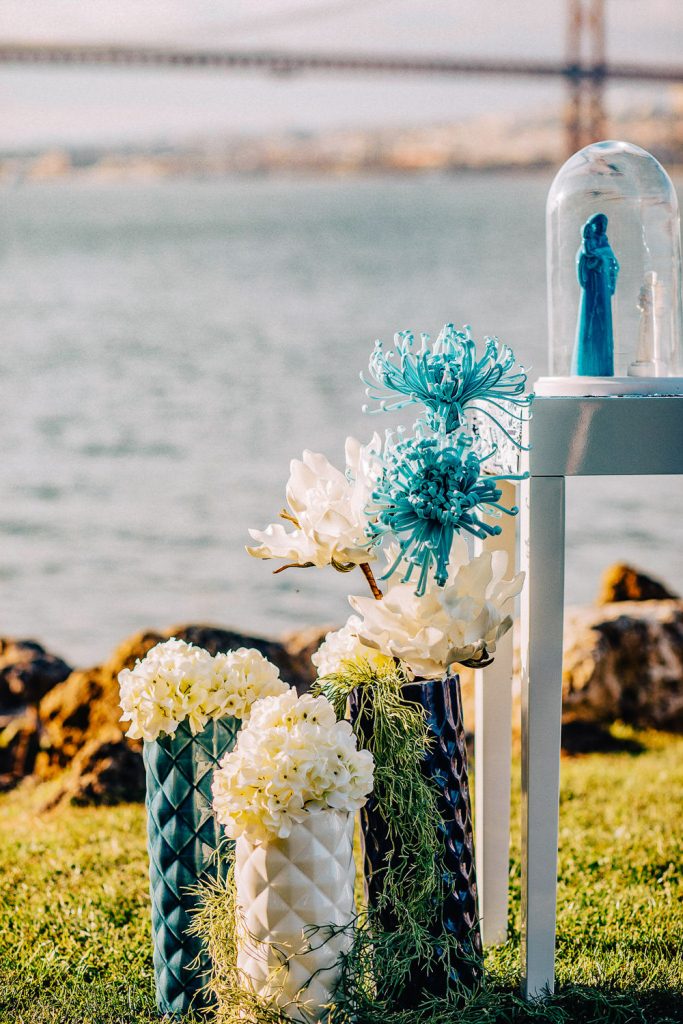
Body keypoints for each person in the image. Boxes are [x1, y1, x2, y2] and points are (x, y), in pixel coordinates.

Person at [572, 212, 619, 376]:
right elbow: (582, 258)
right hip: (592, 288)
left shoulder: (603, 243)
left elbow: (612, 261)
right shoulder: (588, 242)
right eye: (599, 225)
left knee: (602, 322)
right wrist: (592, 260)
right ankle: (585, 364)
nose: (602, 228)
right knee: (589, 320)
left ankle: (602, 365)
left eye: (603, 225)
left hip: (602, 287)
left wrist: (610, 278)